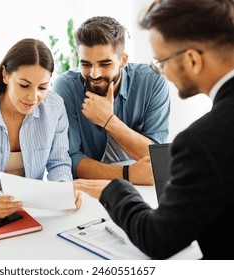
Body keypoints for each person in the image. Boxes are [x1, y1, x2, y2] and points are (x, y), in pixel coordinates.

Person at [75, 0, 234, 260]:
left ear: (192, 59)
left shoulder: (203, 142)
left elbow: (158, 239)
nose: (163, 71)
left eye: (161, 60)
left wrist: (113, 189)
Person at [0, 38, 80, 218]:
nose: (33, 97)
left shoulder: (55, 107)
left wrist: (63, 192)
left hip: (25, 209)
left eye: (42, 87)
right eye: (24, 85)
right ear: (5, 75)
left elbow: (59, 162)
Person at [53, 16, 170, 185]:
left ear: (123, 60)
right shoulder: (66, 87)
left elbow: (156, 155)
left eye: (104, 64)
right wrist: (127, 173)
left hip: (143, 186)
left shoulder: (151, 81)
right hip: (91, 186)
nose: (94, 74)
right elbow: (70, 159)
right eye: (86, 64)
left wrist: (108, 121)